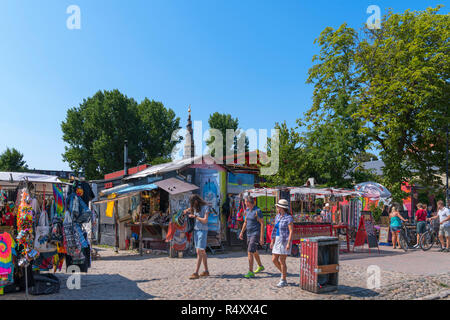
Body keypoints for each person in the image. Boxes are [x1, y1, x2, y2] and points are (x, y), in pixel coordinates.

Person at [183, 194, 212, 279]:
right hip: (196, 230)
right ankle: (206, 271)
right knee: (202, 252)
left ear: (196, 201)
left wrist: (196, 216)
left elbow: (205, 220)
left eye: (193, 203)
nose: (192, 206)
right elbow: (189, 209)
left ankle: (196, 273)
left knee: (199, 251)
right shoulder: (195, 207)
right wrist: (186, 211)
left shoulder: (206, 207)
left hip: (203, 230)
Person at [239, 196, 265, 278]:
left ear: (249, 202)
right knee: (254, 250)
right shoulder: (246, 211)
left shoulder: (257, 211)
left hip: (255, 233)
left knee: (250, 251)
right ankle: (260, 266)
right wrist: (241, 232)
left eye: (245, 202)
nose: (245, 203)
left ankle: (250, 271)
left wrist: (261, 237)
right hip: (248, 233)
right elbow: (245, 222)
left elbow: (262, 224)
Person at [270, 199, 294, 287]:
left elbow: (291, 231)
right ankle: (284, 274)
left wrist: (288, 243)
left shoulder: (289, 218)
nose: (277, 208)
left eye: (278, 206)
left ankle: (283, 279)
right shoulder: (277, 216)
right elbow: (275, 229)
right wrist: (272, 240)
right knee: (274, 259)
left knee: (282, 260)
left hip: (284, 240)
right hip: (277, 239)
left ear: (281, 208)